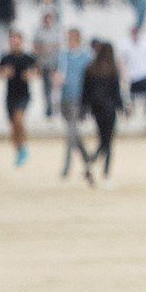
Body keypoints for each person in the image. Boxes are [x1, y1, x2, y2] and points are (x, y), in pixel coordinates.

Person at [82, 39, 125, 187]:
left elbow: (85, 93)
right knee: (108, 142)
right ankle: (105, 172)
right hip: (109, 108)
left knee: (102, 139)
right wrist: (122, 108)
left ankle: (91, 162)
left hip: (96, 109)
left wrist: (84, 109)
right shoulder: (112, 70)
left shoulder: (90, 69)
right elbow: (116, 93)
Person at [54, 26, 94, 183]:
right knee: (74, 132)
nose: (68, 41)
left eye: (71, 38)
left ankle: (67, 166)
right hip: (65, 98)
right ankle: (87, 157)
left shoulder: (87, 57)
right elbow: (56, 73)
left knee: (71, 132)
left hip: (79, 99)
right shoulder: (63, 56)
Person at [0, 30, 38, 166]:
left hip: (23, 95)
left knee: (19, 119)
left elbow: (37, 71)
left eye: (17, 39)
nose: (15, 42)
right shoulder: (6, 58)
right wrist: (4, 72)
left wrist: (30, 74)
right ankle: (19, 150)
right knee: (13, 127)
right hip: (10, 96)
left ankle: (24, 147)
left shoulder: (28, 58)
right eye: (12, 40)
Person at [124, 24, 146, 128]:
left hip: (143, 73)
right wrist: (124, 72)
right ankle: (131, 115)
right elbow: (123, 60)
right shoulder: (126, 45)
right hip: (133, 75)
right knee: (132, 97)